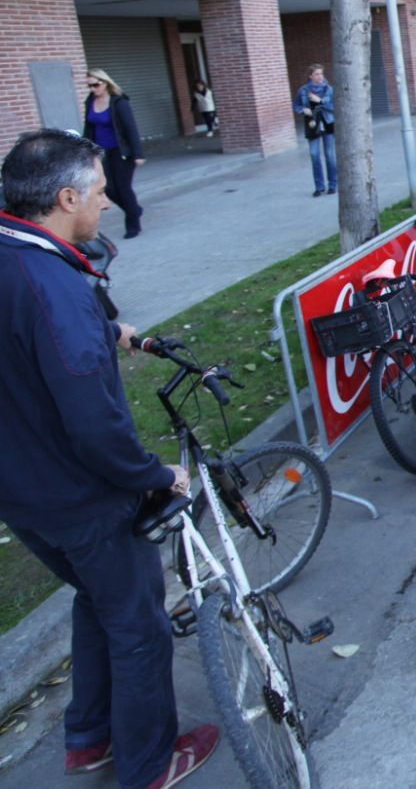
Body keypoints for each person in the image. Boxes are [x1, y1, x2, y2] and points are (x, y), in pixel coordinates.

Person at [0, 129, 218, 789]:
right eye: (99, 192)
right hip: (81, 497)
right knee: (139, 625)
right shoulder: (55, 289)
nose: (108, 204)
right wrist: (153, 476)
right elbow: (95, 427)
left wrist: (105, 327)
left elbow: (24, 336)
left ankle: (87, 739)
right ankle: (150, 763)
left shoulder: (17, 256)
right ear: (66, 197)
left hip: (22, 492)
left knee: (97, 601)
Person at [82, 69, 145, 239]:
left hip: (121, 152)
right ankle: (134, 210)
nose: (93, 89)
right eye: (89, 86)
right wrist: (84, 151)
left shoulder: (118, 102)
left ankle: (133, 225)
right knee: (108, 189)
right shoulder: (90, 101)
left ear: (105, 83)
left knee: (123, 189)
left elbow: (131, 128)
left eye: (96, 85)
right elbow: (88, 128)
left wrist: (138, 154)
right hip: (101, 153)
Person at [293, 63, 337, 197]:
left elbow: (334, 107)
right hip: (312, 125)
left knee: (329, 155)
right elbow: (295, 105)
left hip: (327, 123)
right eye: (317, 74)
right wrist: (302, 110)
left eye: (321, 74)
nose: (320, 77)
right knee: (314, 155)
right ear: (310, 76)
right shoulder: (303, 90)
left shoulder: (328, 89)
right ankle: (319, 187)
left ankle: (332, 185)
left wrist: (321, 101)